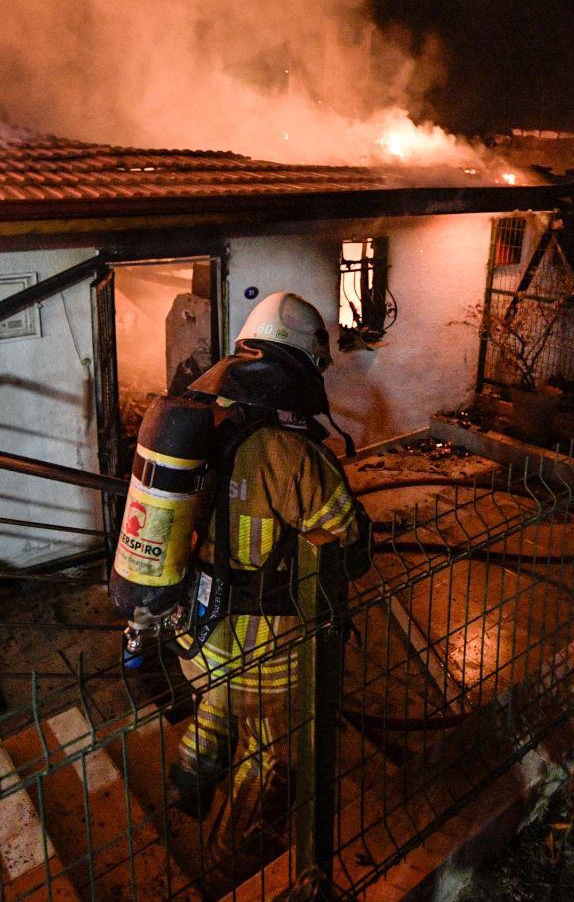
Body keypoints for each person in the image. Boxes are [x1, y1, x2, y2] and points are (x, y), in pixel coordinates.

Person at [166, 291, 368, 882]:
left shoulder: (207, 420)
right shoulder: (290, 451)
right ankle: (233, 860)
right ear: (300, 365)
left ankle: (186, 791)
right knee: (266, 752)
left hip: (201, 640)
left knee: (215, 707)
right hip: (267, 657)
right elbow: (345, 538)